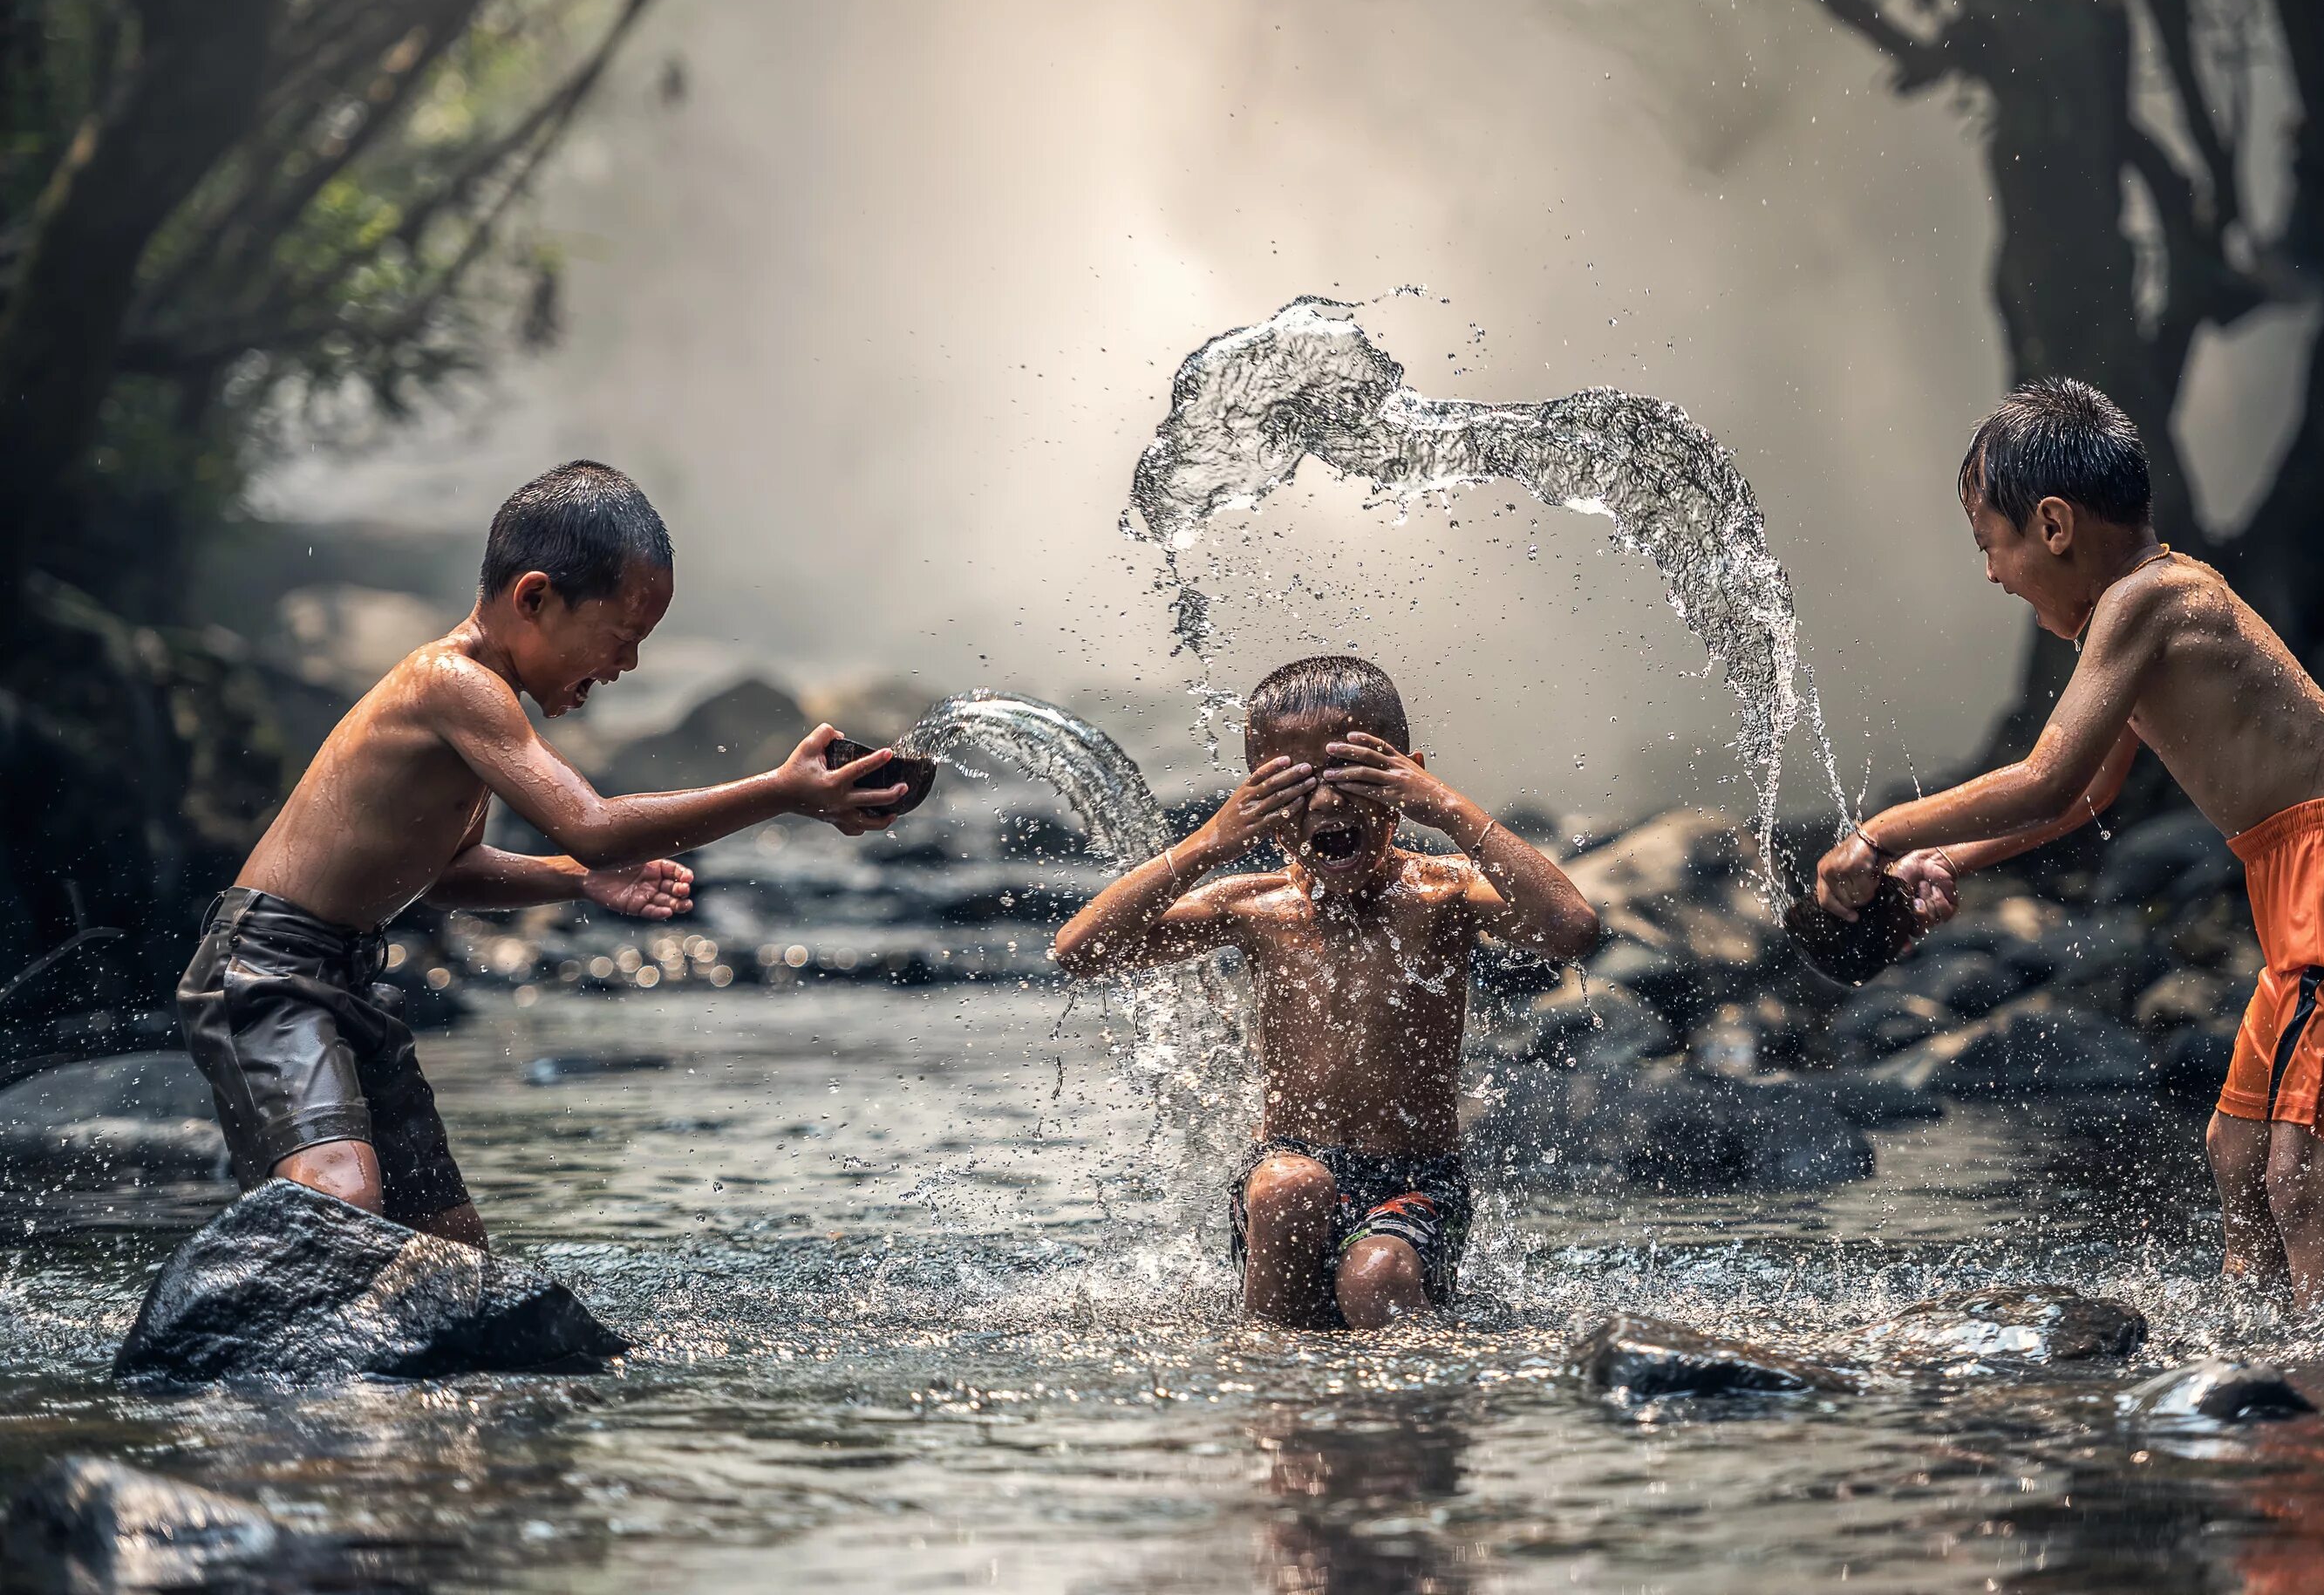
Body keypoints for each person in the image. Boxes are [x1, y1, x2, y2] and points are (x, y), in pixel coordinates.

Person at [1815, 379, 2324, 1311]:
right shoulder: (2141, 613)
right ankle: (2257, 1360)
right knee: (2238, 1153)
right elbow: (2084, 799)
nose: (1992, 574)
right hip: (2312, 875)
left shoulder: (2151, 598)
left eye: (1991, 544)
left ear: (2056, 526)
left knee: (2300, 1171)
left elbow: (2046, 777)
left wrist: (1875, 836)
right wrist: (1951, 861)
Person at [178, 461, 912, 1249]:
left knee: (452, 1248)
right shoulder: (450, 683)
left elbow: (451, 873)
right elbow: (592, 822)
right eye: (621, 637)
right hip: (268, 971)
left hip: (345, 978)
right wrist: (781, 790)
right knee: (343, 1193)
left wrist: (577, 881)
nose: (625, 666)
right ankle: (218, 1333)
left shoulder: (483, 708)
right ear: (535, 599)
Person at [1053, 656, 1600, 1329]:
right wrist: (1210, 841)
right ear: (1255, 798)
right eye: (1291, 786)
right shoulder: (1255, 906)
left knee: (1377, 1279)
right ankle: (1268, 1385)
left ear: (1406, 776)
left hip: (1417, 1184)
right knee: (1291, 1186)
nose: (1325, 804)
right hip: (1283, 1175)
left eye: (1351, 774)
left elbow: (1571, 929)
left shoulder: (1444, 895)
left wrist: (1450, 808)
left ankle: (1404, 1417)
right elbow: (1082, 952)